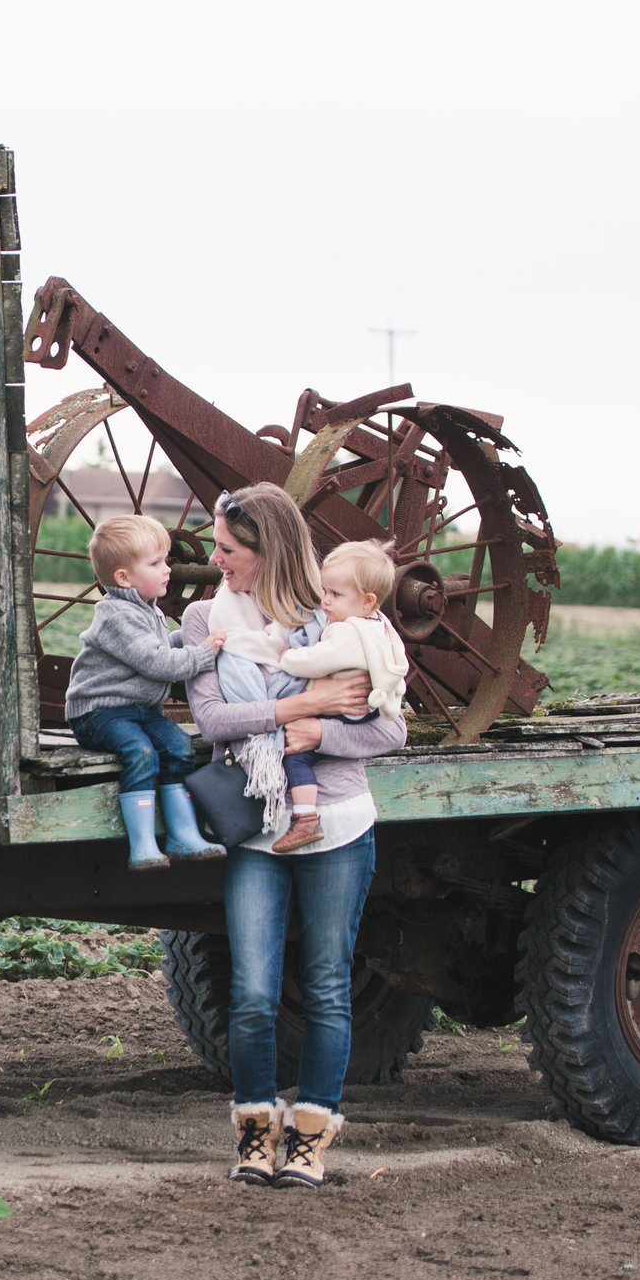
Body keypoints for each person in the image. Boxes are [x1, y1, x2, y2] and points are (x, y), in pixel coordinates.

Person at [181, 485, 404, 1189]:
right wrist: (304, 702)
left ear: (268, 549)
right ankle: (254, 1132)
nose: (215, 559)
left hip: (337, 825)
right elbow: (214, 721)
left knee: (328, 986)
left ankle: (309, 1136)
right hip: (256, 827)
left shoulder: (337, 615)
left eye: (228, 548)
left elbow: (390, 727)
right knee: (250, 991)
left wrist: (318, 732)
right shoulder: (202, 619)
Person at [63, 513, 231, 872]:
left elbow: (157, 648)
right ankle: (142, 845)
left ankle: (182, 836)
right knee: (141, 753)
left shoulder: (144, 609)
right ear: (123, 577)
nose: (168, 569)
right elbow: (158, 664)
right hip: (99, 712)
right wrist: (204, 653)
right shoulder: (116, 615)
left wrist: (188, 640)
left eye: (166, 559)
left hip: (139, 709)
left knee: (180, 748)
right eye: (156, 563)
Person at [267, 539, 411, 852]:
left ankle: (305, 819)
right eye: (325, 591)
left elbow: (320, 659)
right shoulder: (380, 626)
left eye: (335, 594)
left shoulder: (348, 631)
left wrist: (287, 657)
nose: (325, 602)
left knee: (296, 757)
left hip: (344, 709)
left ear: (367, 601)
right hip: (367, 706)